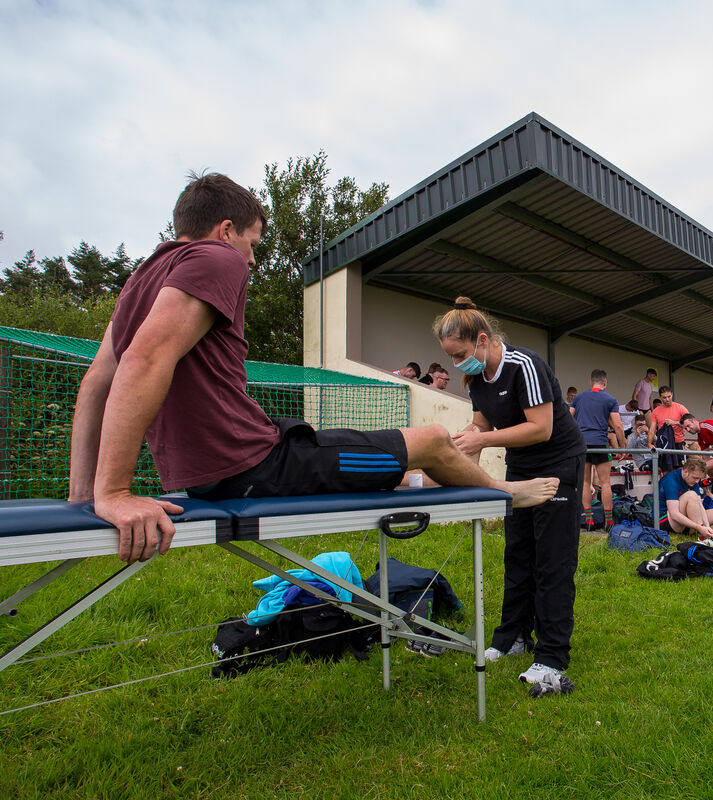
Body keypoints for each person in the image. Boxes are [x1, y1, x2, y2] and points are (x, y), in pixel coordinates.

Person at [68, 172, 558, 566]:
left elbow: (96, 383)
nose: (253, 259)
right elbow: (146, 359)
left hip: (234, 463)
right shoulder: (218, 258)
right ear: (225, 230)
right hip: (254, 467)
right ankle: (505, 493)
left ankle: (460, 484)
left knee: (382, 461)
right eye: (254, 242)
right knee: (430, 438)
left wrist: (84, 494)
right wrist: (115, 493)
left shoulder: (142, 278)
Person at [434, 296, 586, 693]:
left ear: (483, 340)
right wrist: (463, 445)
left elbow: (541, 428)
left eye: (461, 354)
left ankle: (551, 655)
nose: (457, 364)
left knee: (552, 561)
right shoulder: (475, 378)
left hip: (557, 462)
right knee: (518, 553)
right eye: (450, 357)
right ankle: (511, 637)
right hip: (519, 467)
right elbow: (481, 422)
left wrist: (482, 438)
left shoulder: (524, 364)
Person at [570, 369, 627, 529]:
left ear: (591, 382)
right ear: (605, 383)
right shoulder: (610, 399)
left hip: (582, 444)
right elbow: (617, 425)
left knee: (585, 482)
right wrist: (623, 447)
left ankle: (588, 521)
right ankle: (608, 522)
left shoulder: (579, 398)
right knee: (605, 483)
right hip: (601, 444)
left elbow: (568, 418)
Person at [647, 386, 689, 450]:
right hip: (663, 443)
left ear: (672, 395)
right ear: (660, 398)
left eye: (669, 396)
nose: (667, 399)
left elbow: (689, 424)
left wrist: (674, 423)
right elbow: (652, 430)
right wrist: (649, 443)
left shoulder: (681, 408)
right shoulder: (656, 411)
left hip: (678, 442)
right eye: (664, 397)